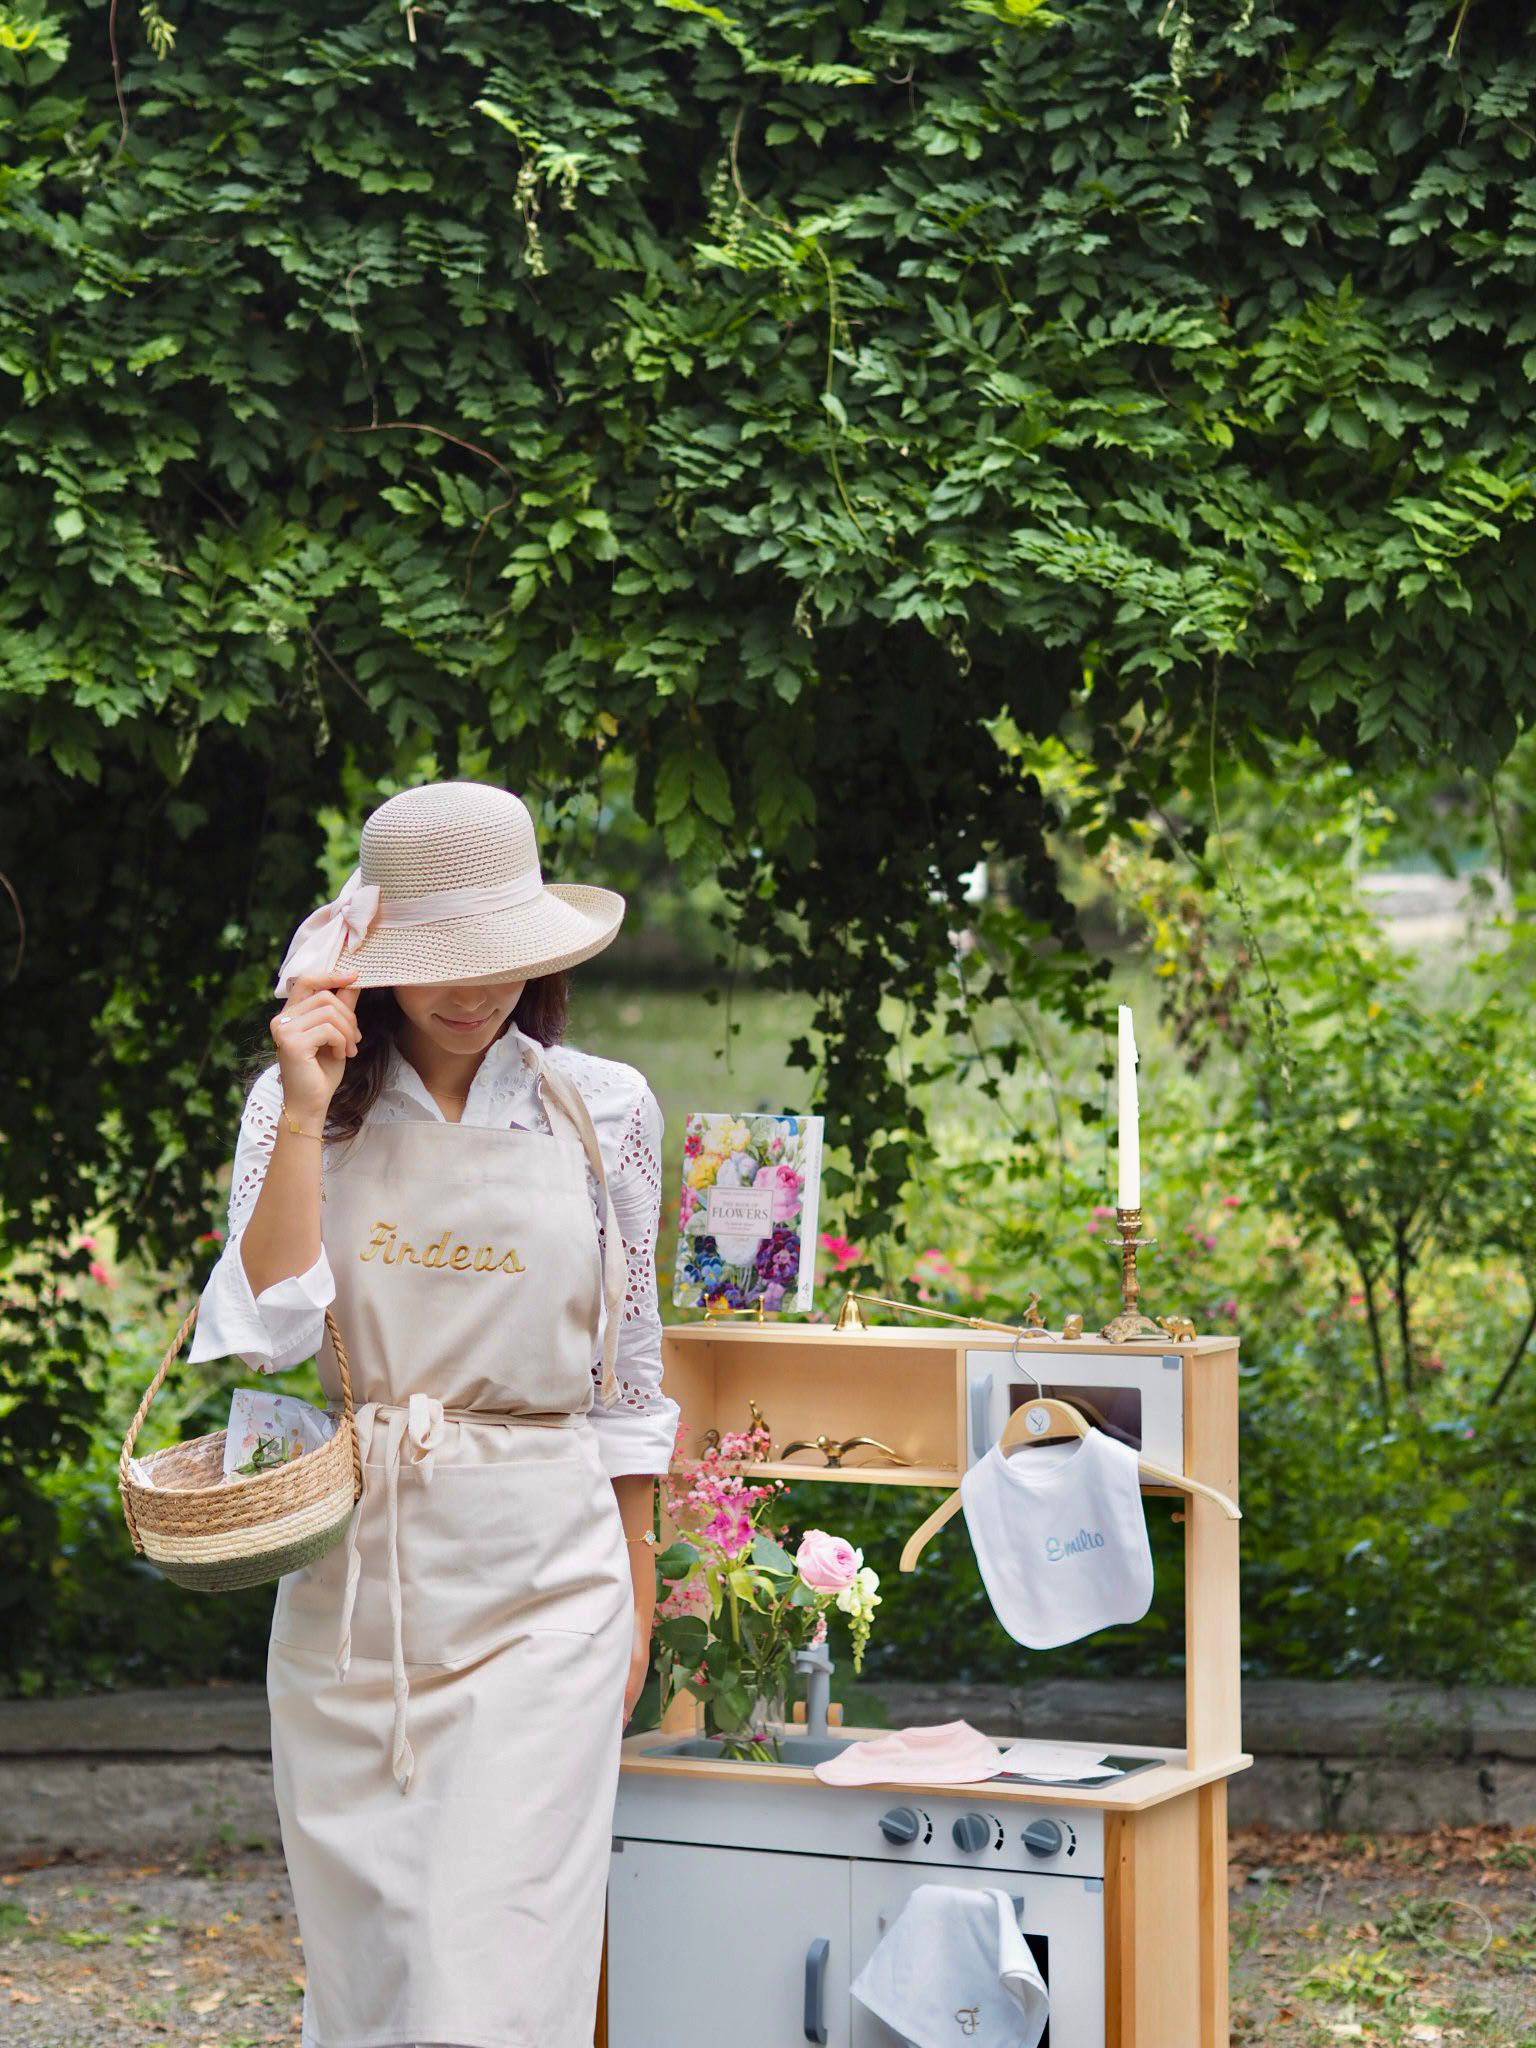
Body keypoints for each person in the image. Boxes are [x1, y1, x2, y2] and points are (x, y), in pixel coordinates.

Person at [187, 778, 679, 2048]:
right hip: (356, 1603)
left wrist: (638, 1591)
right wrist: (303, 1107)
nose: (474, 990)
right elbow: (265, 1329)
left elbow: (629, 1385)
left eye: (500, 958)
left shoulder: (603, 1107)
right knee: (379, 1984)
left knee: (492, 1984)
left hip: (548, 1594)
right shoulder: (305, 1109)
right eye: (438, 963)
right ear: (377, 964)